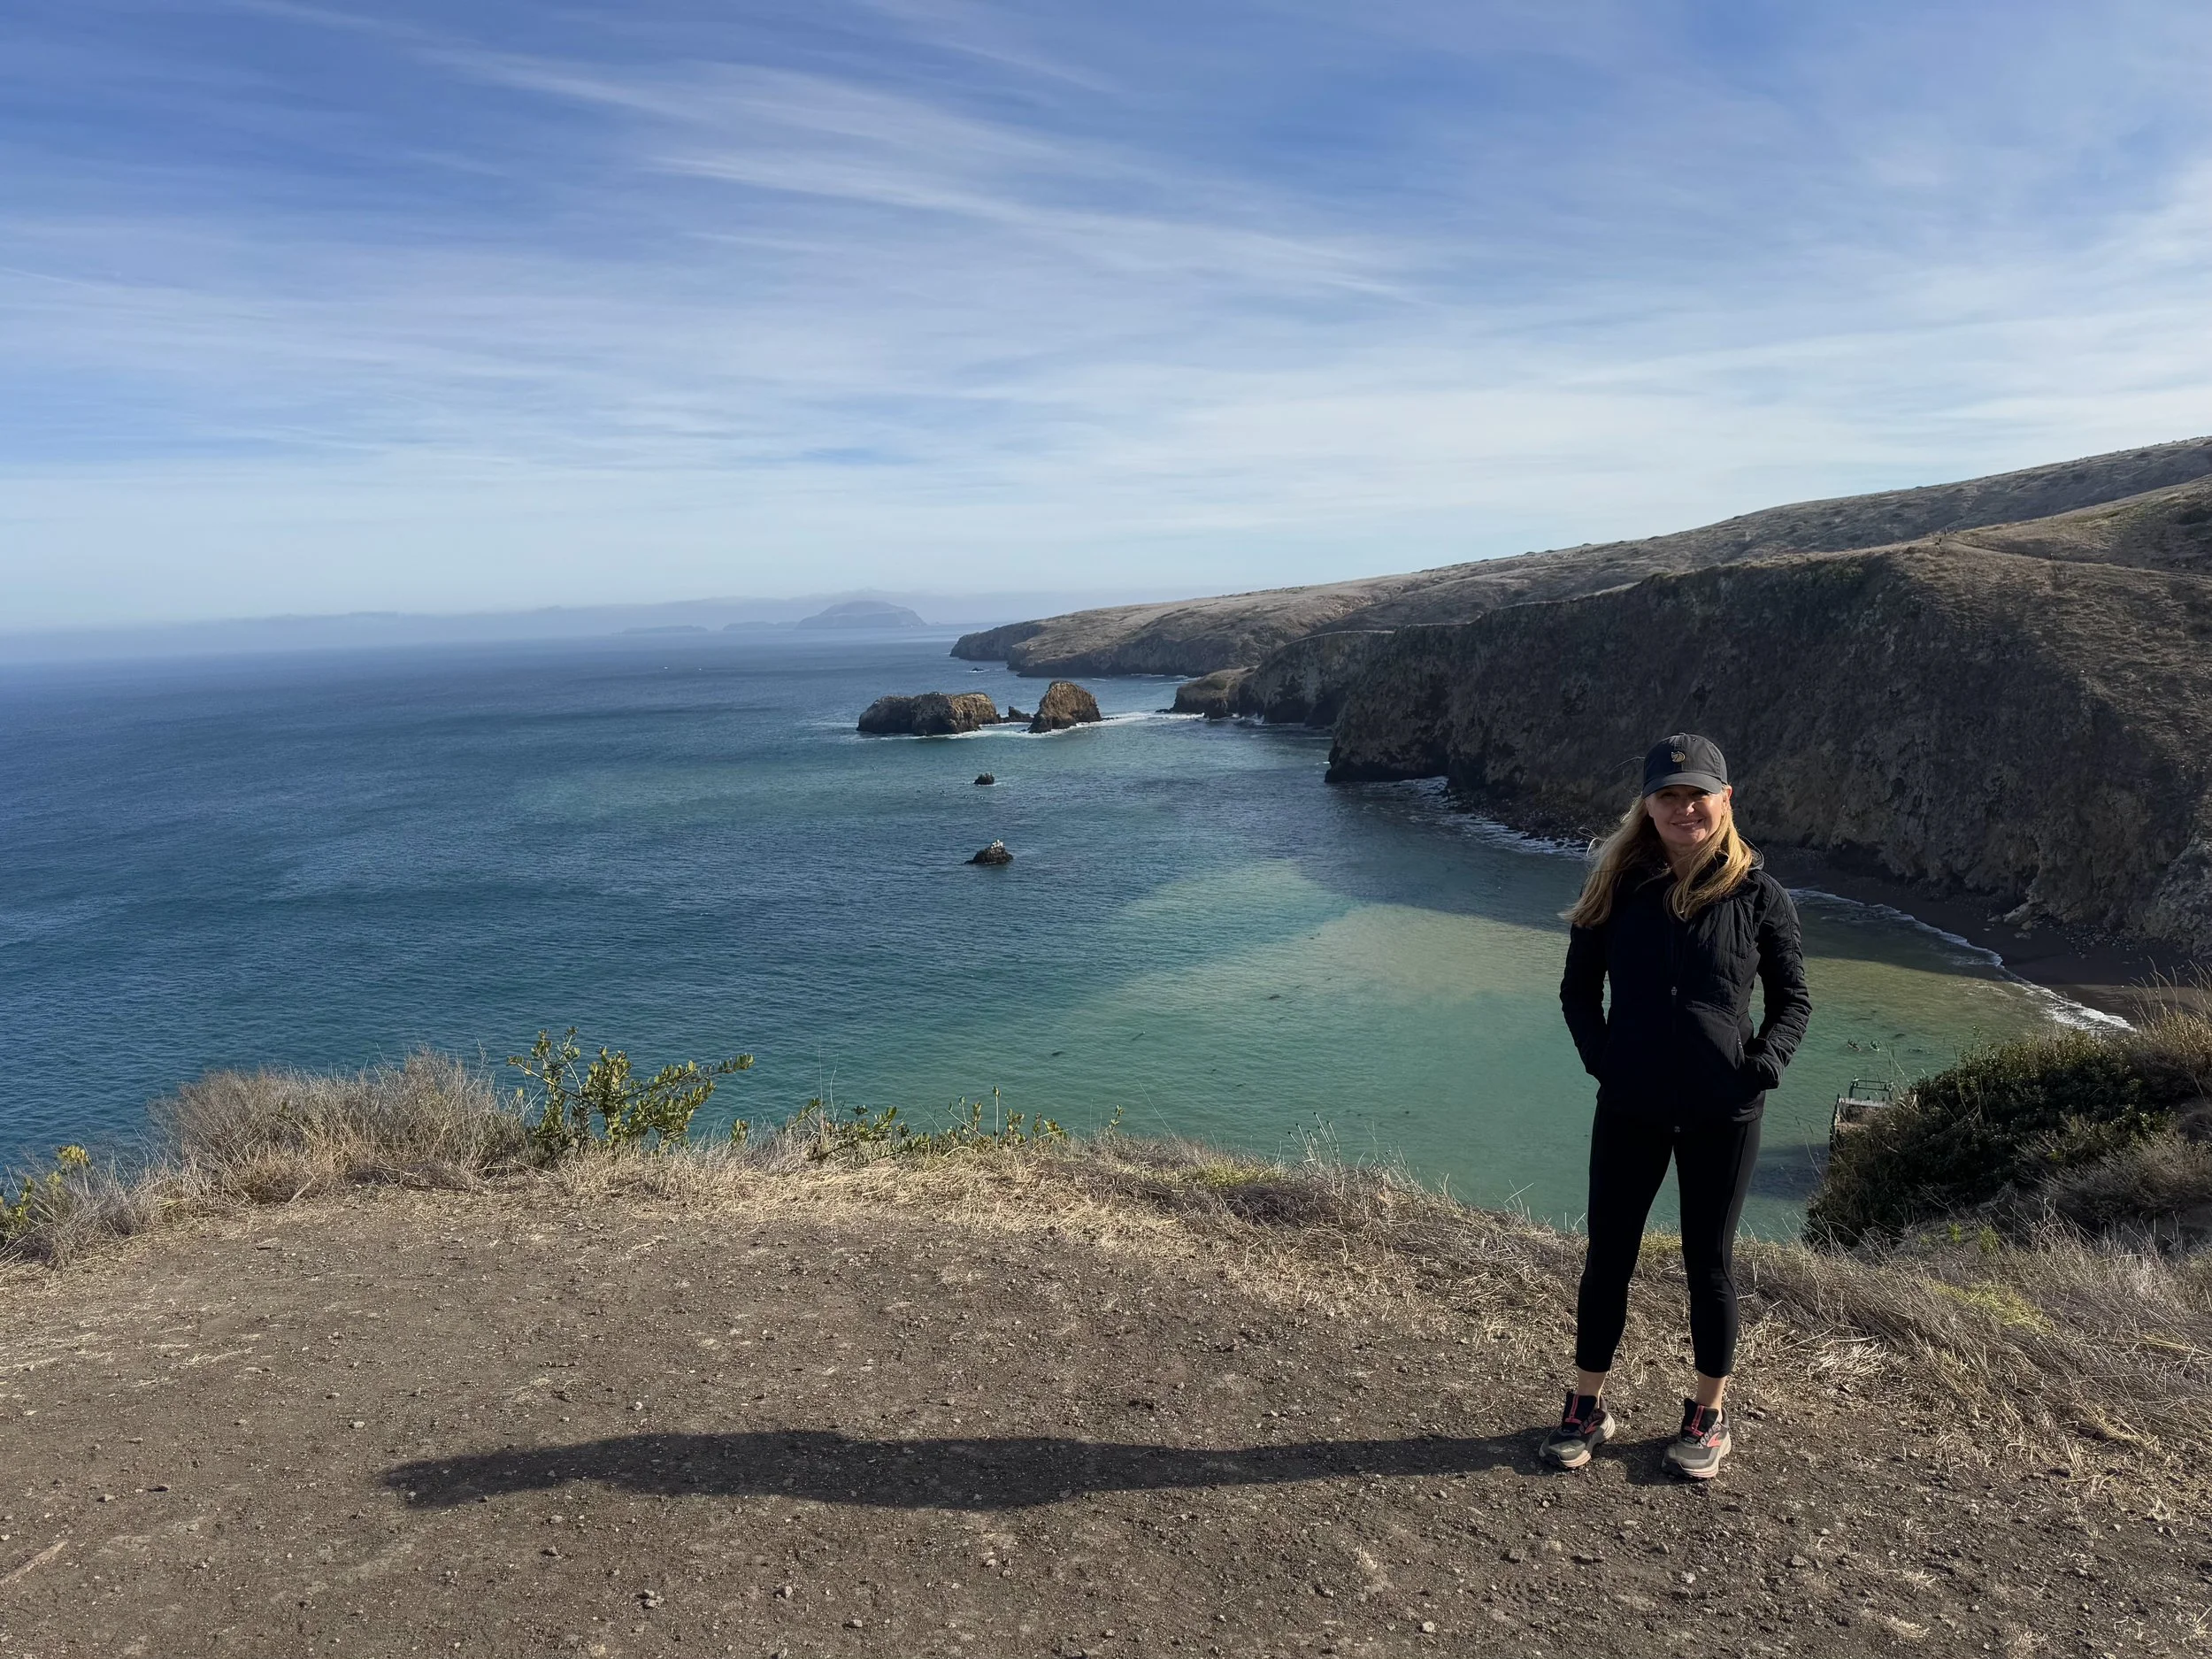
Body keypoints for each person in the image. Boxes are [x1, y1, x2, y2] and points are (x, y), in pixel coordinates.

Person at [1540, 733, 1811, 1479]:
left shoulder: (1759, 894)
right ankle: (1585, 1404)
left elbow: (1793, 1000)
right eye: (1669, 794)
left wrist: (1760, 1068)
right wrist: (1605, 1059)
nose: (1684, 808)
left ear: (1725, 800)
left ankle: (1708, 1414)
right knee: (1608, 1258)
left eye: (1698, 794)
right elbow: (1577, 992)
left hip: (1724, 1112)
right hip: (1631, 1103)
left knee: (1709, 1265)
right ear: (1648, 804)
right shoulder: (1616, 886)